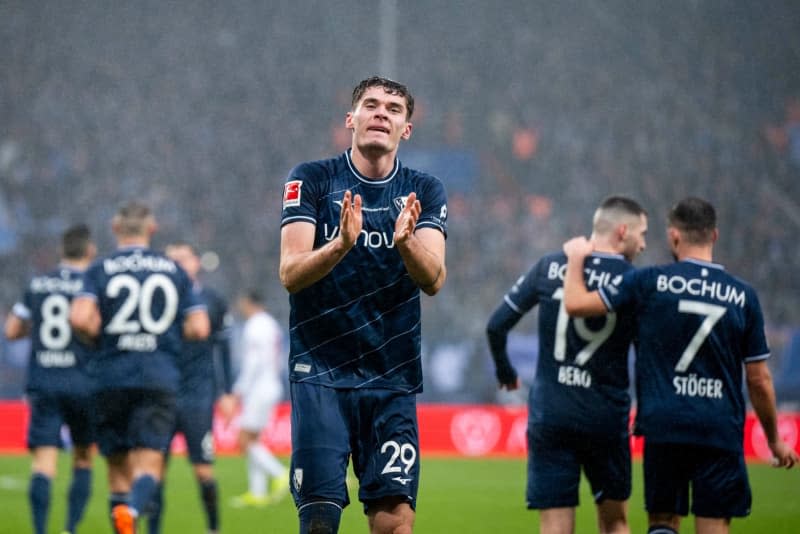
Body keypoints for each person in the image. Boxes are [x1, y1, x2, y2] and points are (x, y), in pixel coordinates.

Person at [562, 197, 799, 534]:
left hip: (664, 423)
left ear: (674, 236)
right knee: (714, 524)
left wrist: (575, 260)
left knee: (662, 522)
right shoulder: (743, 296)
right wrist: (774, 439)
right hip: (719, 427)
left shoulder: (648, 282)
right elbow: (759, 379)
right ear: (714, 236)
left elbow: (575, 304)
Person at [279, 76, 447, 534]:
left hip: (391, 378)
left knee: (395, 524)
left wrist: (407, 241)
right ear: (350, 120)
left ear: (405, 129)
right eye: (370, 105)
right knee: (319, 521)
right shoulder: (312, 180)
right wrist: (340, 245)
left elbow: (433, 279)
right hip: (322, 374)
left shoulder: (424, 191)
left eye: (393, 109)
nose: (381, 113)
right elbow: (290, 273)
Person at [486, 196, 648, 534]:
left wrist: (506, 372)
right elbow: (647, 356)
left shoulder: (550, 266)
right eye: (641, 234)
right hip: (606, 416)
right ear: (622, 231)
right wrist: (645, 408)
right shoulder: (635, 282)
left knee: (555, 526)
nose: (644, 244)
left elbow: (496, 325)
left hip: (552, 413)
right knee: (616, 522)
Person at [69, 201, 210, 534]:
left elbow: (79, 318)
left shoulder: (100, 269)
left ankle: (124, 511)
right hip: (158, 376)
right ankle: (133, 509)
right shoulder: (172, 269)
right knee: (149, 464)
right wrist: (167, 332)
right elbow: (200, 327)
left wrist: (102, 335)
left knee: (118, 470)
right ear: (152, 229)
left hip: (111, 375)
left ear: (115, 229)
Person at [4, 224, 97, 534]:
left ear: (62, 251)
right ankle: (69, 529)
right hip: (84, 381)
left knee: (43, 462)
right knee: (84, 457)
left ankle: (41, 531)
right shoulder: (92, 283)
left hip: (44, 380)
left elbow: (12, 330)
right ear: (90, 251)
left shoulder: (39, 283)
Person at [146, 242, 234, 534]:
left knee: (203, 471)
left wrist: (228, 392)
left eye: (183, 259)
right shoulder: (155, 300)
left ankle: (214, 528)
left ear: (196, 263)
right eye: (172, 260)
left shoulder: (212, 299)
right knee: (155, 470)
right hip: (163, 397)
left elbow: (224, 349)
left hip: (198, 396)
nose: (179, 264)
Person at [218, 289, 289, 507]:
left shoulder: (255, 326)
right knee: (254, 439)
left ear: (249, 303)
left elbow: (253, 363)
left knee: (244, 439)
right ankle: (257, 493)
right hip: (271, 384)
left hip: (259, 388)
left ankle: (280, 474)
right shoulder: (271, 324)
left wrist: (238, 391)